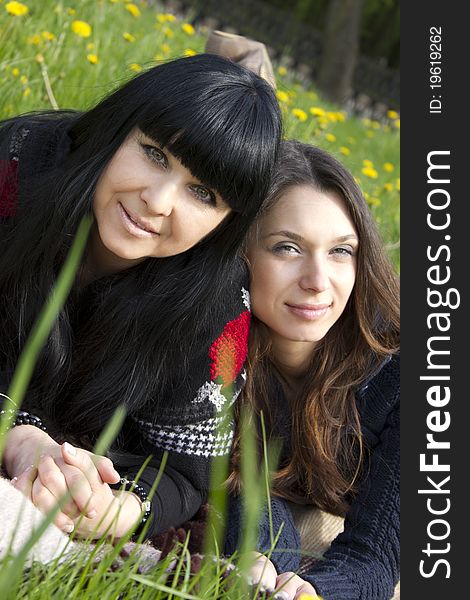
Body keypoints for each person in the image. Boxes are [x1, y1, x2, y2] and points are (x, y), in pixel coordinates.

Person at [0, 53, 282, 541]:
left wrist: (119, 509)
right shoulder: (15, 169)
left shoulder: (216, 308)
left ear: (227, 223)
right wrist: (19, 437)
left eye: (203, 193)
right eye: (155, 154)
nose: (159, 200)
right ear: (117, 128)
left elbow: (189, 470)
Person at [225, 140, 400, 600]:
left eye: (341, 251)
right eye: (287, 247)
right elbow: (250, 483)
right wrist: (258, 559)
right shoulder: (219, 349)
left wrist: (313, 592)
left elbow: (375, 553)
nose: (318, 281)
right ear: (240, 253)